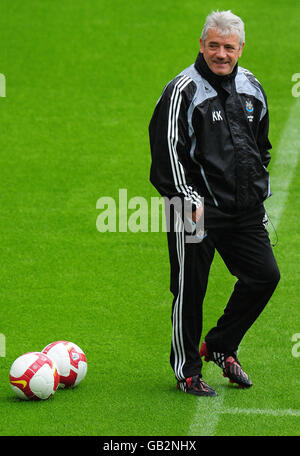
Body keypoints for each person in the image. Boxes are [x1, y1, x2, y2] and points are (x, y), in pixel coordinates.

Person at [149, 10, 280, 396]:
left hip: (243, 208)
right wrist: (189, 201)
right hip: (193, 207)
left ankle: (221, 344)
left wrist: (254, 189)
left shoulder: (252, 86)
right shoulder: (182, 91)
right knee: (190, 287)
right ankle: (187, 371)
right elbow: (166, 155)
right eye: (213, 45)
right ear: (201, 45)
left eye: (228, 47)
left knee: (264, 277)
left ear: (240, 48)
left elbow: (261, 146)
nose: (221, 54)